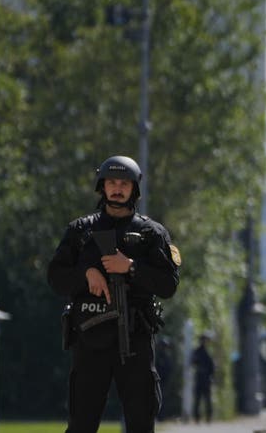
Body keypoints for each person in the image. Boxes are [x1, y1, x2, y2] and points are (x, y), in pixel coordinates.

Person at [48, 155, 182, 433]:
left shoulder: (151, 234)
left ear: (134, 189)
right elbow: (56, 278)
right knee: (81, 423)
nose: (117, 188)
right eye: (112, 182)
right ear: (102, 186)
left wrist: (131, 267)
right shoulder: (81, 231)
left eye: (124, 183)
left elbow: (168, 284)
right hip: (90, 337)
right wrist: (86, 275)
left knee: (140, 422)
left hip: (134, 339)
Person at [189, 332, 216, 423]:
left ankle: (208, 418)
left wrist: (211, 376)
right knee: (198, 399)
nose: (205, 342)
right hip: (200, 378)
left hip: (206, 379)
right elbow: (193, 362)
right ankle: (197, 418)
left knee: (207, 399)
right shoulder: (197, 351)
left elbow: (212, 367)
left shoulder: (208, 352)